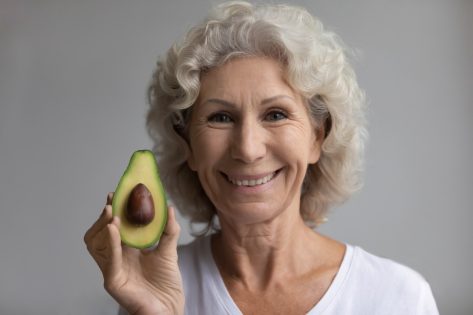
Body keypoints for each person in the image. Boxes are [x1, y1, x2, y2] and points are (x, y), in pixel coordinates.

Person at [84, 1, 439, 314]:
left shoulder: (398, 298)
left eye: (276, 114)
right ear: (187, 145)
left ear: (318, 136)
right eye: (220, 117)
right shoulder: (158, 285)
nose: (248, 149)